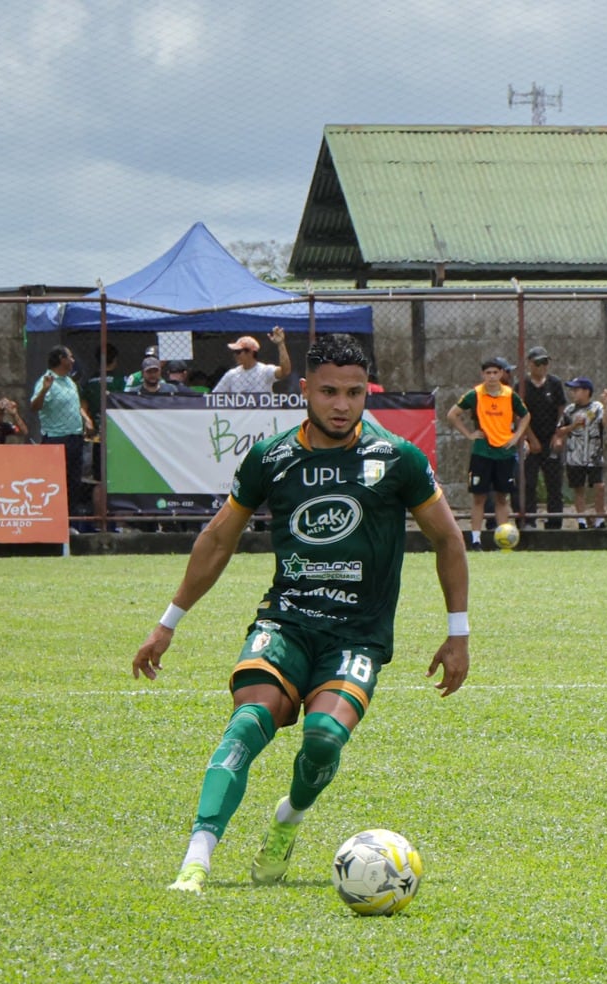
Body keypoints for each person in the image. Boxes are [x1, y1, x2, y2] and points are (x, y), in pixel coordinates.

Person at [131, 333, 469, 893]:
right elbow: (218, 540)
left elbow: (448, 540)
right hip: (285, 622)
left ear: (367, 394)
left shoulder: (398, 459)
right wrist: (168, 623)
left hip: (357, 637)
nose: (342, 405)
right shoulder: (273, 457)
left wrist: (457, 634)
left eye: (355, 393)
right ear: (305, 389)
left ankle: (287, 823)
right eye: (330, 392)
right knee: (247, 724)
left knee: (323, 740)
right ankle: (196, 861)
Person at [446, 357, 530, 549]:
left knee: (502, 497)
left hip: (504, 453)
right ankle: (475, 539)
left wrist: (516, 437)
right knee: (479, 497)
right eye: (488, 373)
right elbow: (452, 414)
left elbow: (526, 415)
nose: (492, 376)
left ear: (501, 374)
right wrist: (469, 434)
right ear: (483, 375)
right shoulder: (475, 394)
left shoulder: (510, 395)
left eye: (495, 372)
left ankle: (504, 540)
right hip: (482, 452)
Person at [31, 346, 94, 530]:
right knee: (56, 483)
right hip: (56, 441)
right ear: (61, 359)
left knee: (74, 482)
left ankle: (70, 524)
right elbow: (34, 406)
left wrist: (86, 418)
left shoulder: (69, 381)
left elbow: (75, 404)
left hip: (75, 438)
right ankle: (53, 525)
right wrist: (44, 390)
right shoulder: (46, 380)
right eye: (70, 357)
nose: (73, 360)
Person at [516, 346, 567, 531]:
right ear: (530, 364)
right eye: (538, 363)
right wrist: (530, 438)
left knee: (554, 483)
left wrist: (558, 434)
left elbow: (562, 409)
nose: (542, 367)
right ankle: (529, 520)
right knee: (529, 482)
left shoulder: (554, 383)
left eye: (545, 363)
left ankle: (554, 521)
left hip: (551, 439)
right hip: (530, 441)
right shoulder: (521, 386)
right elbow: (520, 414)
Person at [555, 377, 607, 528]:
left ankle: (600, 518)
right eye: (572, 390)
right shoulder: (569, 410)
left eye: (576, 390)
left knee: (599, 486)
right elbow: (559, 431)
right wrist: (573, 426)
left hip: (594, 456)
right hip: (575, 456)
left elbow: (606, 423)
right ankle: (581, 520)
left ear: (586, 392)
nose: (573, 393)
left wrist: (606, 405)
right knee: (578, 488)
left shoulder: (597, 407)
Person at [213, 328, 294, 394]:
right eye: (234, 352)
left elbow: (285, 371)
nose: (235, 355)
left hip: (262, 413)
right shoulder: (232, 374)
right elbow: (214, 397)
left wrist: (281, 344)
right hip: (240, 414)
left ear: (250, 353)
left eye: (238, 352)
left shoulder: (264, 371)